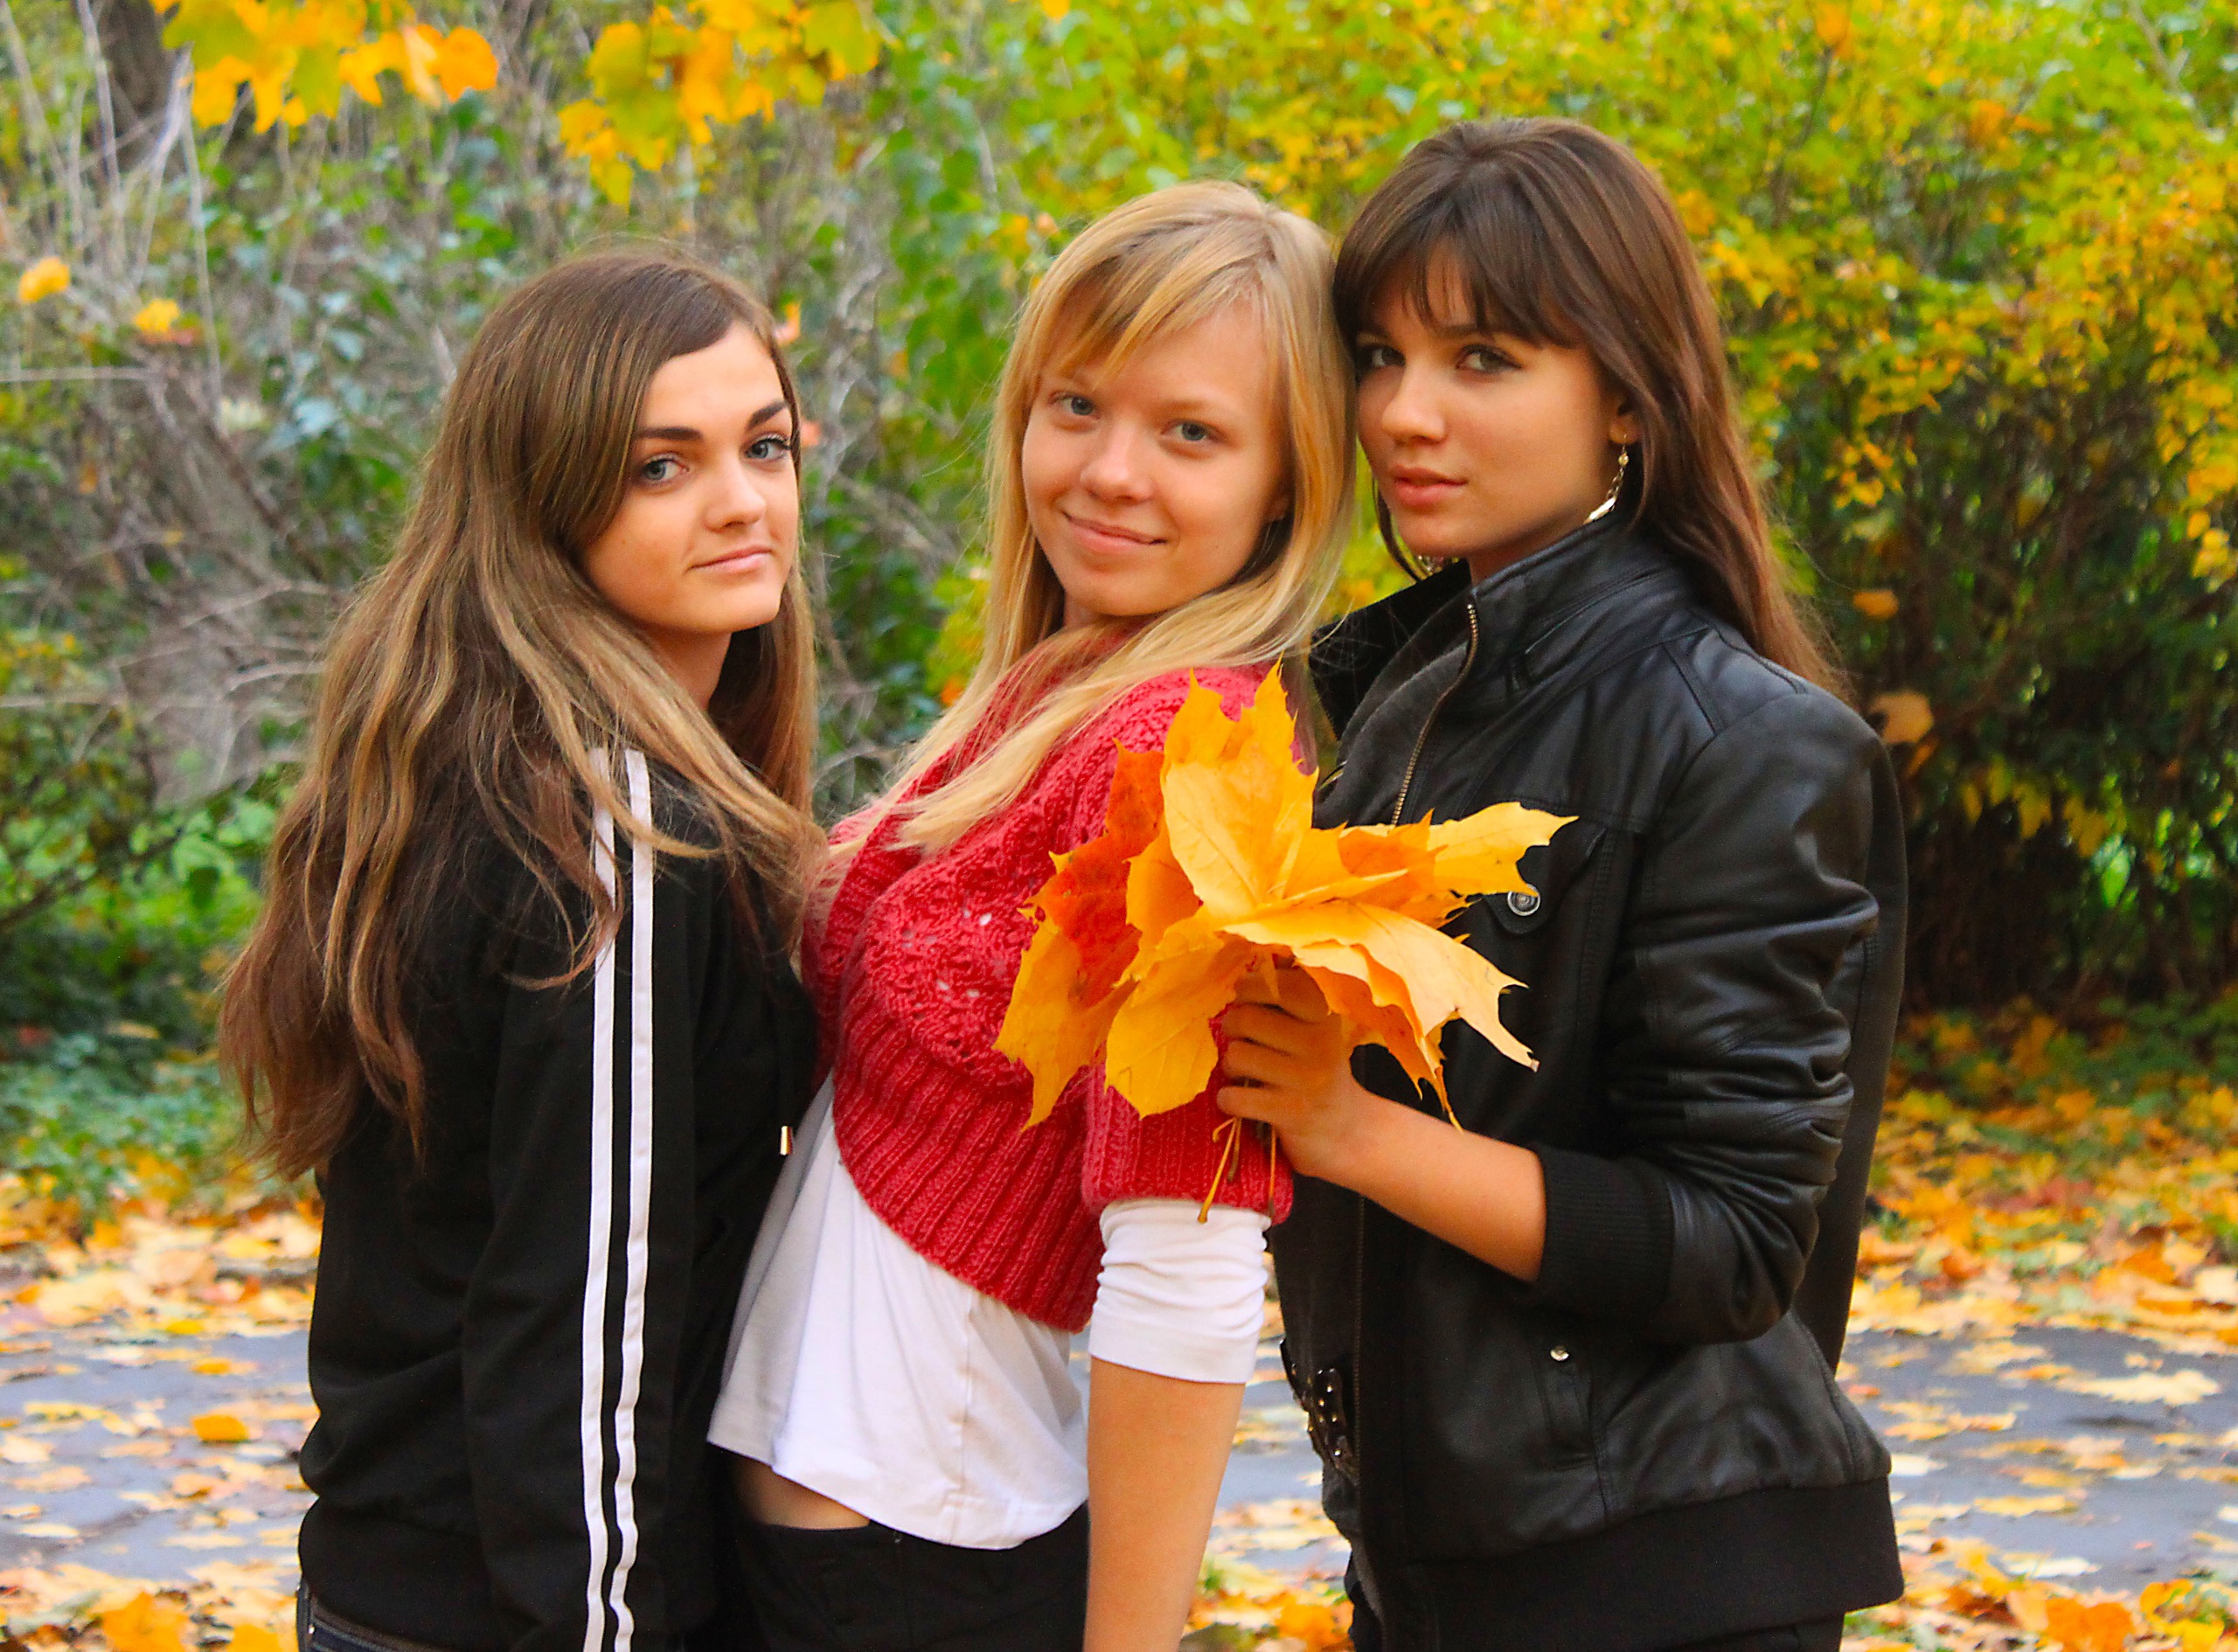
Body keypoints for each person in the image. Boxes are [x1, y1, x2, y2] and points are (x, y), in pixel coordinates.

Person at [1216, 119, 1908, 1651]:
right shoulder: (1401, 697)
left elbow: (1734, 1241)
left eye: (1485, 359)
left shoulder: (1742, 741)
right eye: (1381, 356)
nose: (1407, 414)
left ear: (1628, 399)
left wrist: (1352, 1130)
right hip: (1437, 1560)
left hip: (1649, 1581)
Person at [705, 181, 1352, 1652]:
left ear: (1287, 485)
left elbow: (1189, 1263)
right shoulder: (1061, 692)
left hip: (920, 1563)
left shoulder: (1195, 757)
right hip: (837, 1536)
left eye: (1191, 434)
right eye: (1078, 405)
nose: (1112, 472)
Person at [219, 251, 823, 1652]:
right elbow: (585, 1319)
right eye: (661, 466)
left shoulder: (493, 766)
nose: (742, 500)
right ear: (545, 498)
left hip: (401, 1584)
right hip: (516, 1611)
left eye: (765, 446)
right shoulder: (609, 834)